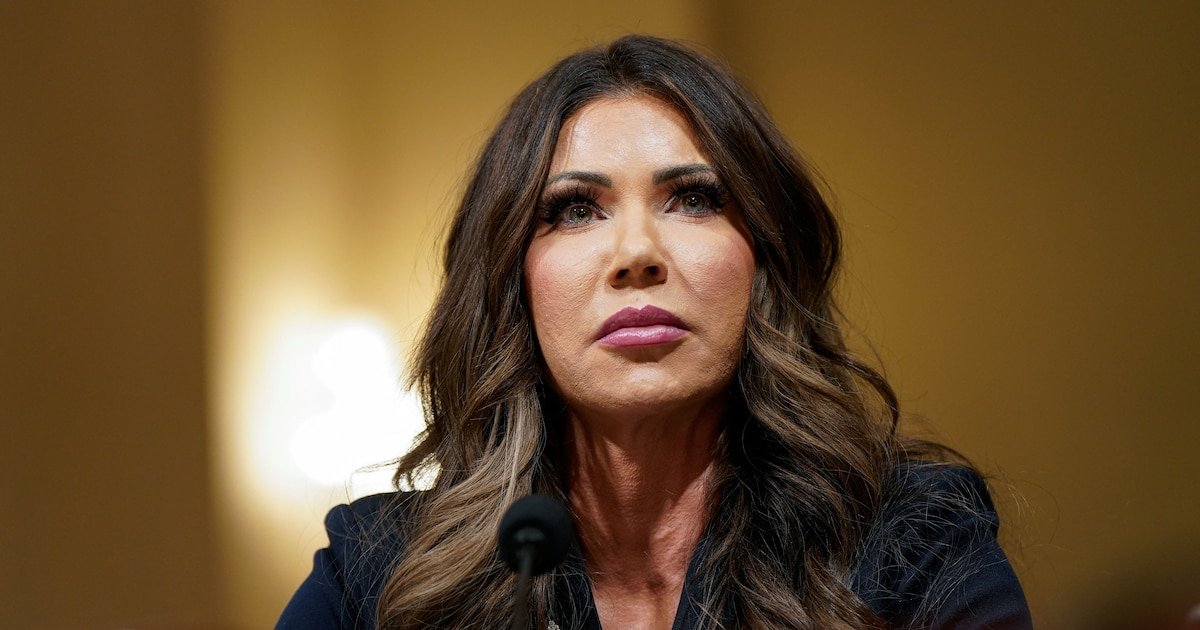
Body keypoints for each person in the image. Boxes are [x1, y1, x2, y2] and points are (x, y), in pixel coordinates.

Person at [277, 35, 1032, 630]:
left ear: (764, 257)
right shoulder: (379, 575)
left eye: (694, 199)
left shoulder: (908, 549)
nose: (636, 253)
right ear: (512, 281)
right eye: (575, 210)